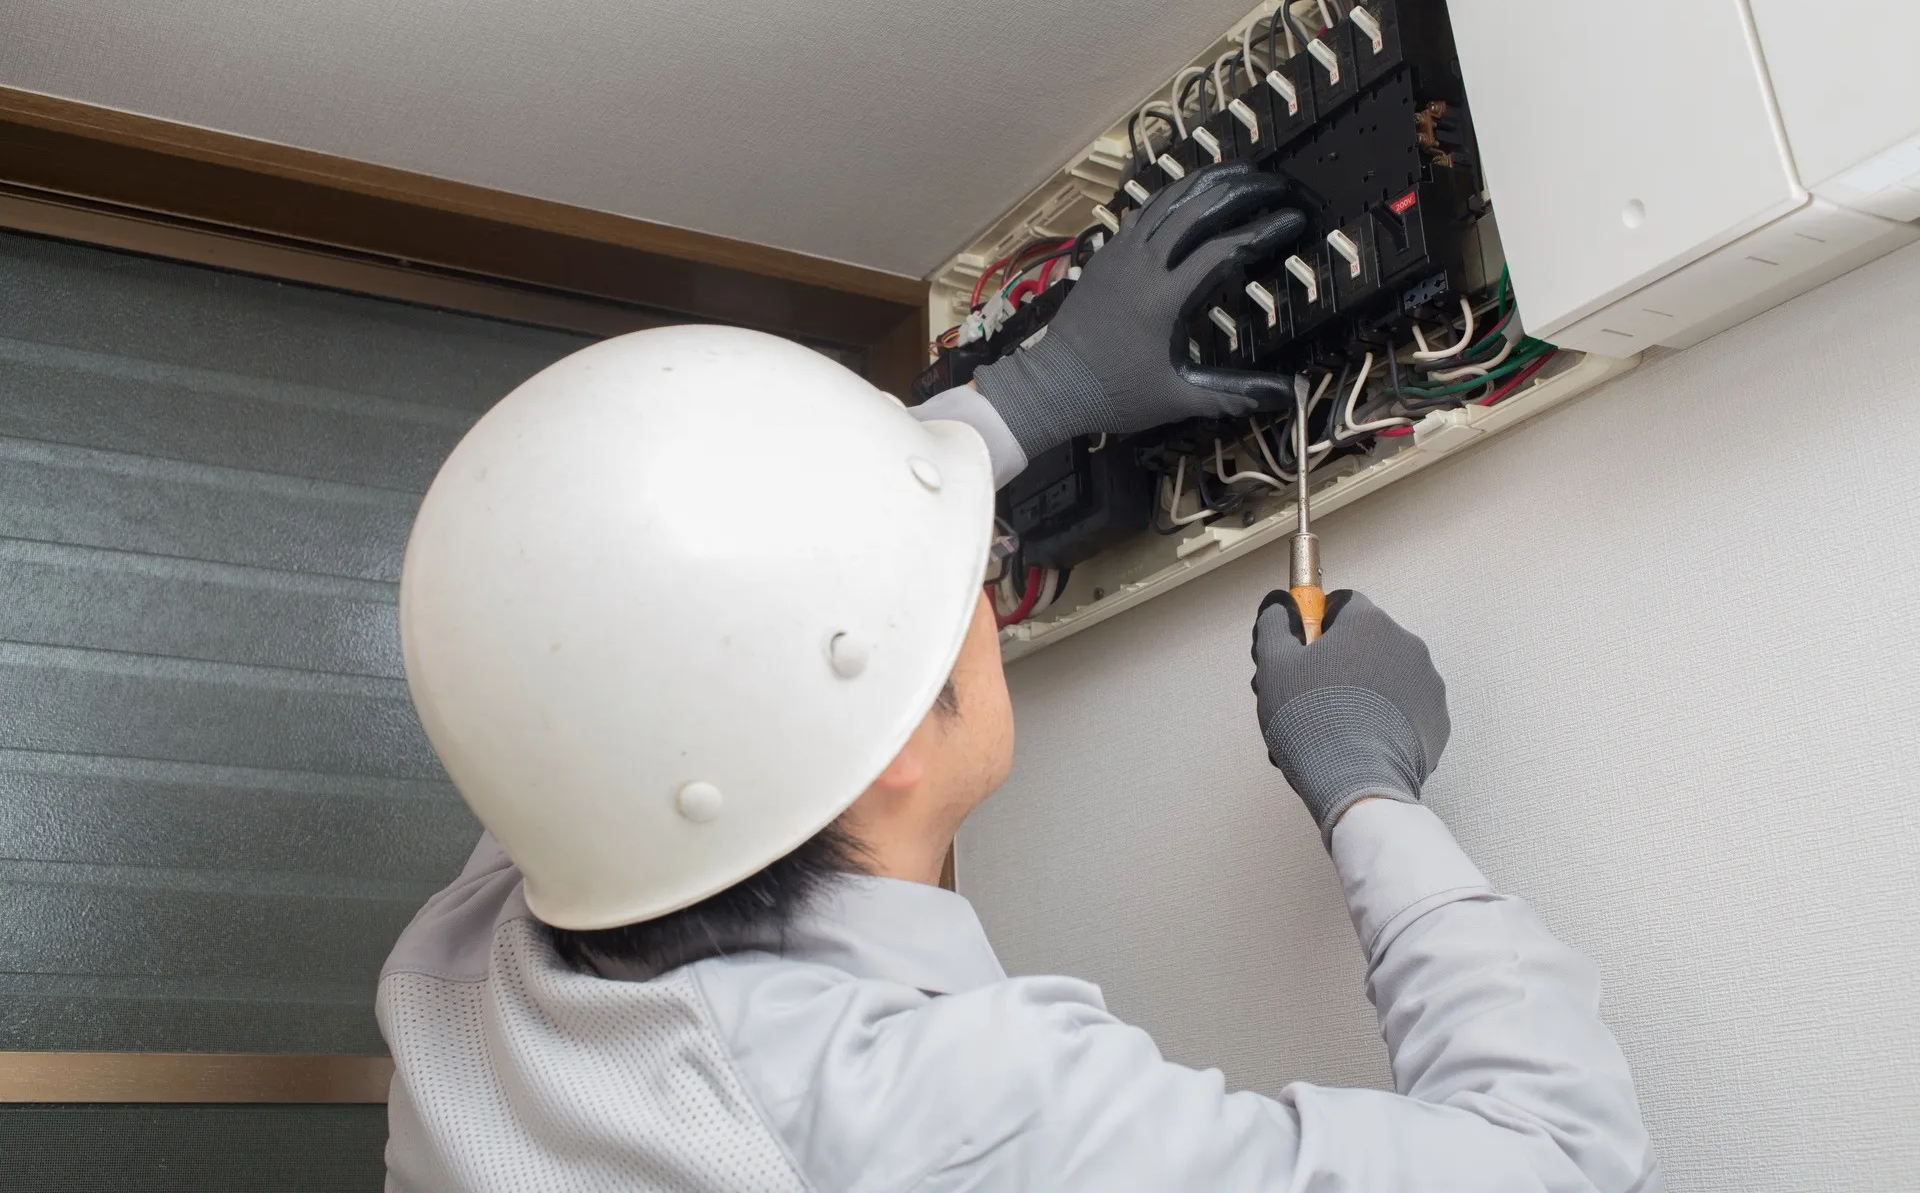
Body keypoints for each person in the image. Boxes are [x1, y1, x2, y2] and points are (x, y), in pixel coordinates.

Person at [381, 162, 1661, 1191]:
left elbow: (624, 635)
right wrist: (1372, 790)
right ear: (886, 741)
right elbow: (1560, 1157)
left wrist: (1036, 392)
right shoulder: (941, 1116)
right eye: (964, 586)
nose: (993, 571)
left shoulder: (477, 947)